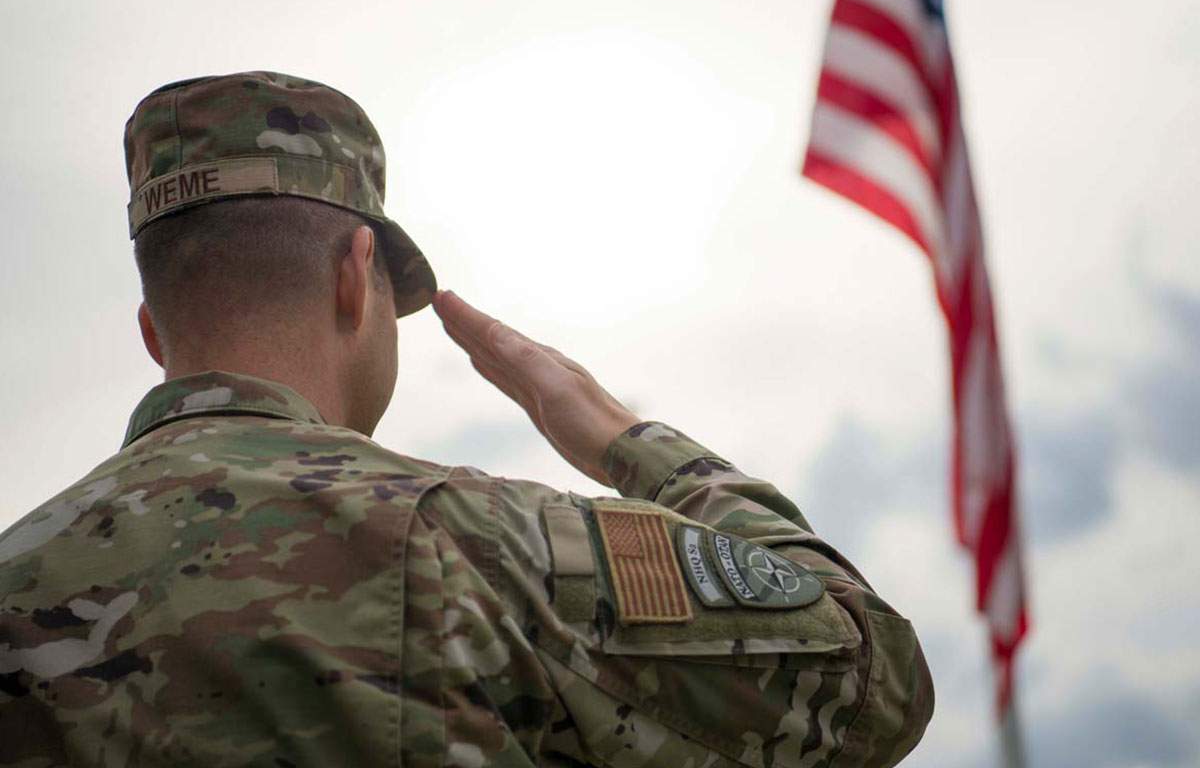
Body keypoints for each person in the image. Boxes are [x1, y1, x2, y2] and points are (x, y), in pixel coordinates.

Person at [0, 71, 933, 767]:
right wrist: (623, 440)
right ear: (353, 275)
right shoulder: (471, 540)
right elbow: (871, 678)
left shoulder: (17, 579)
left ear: (152, 329)